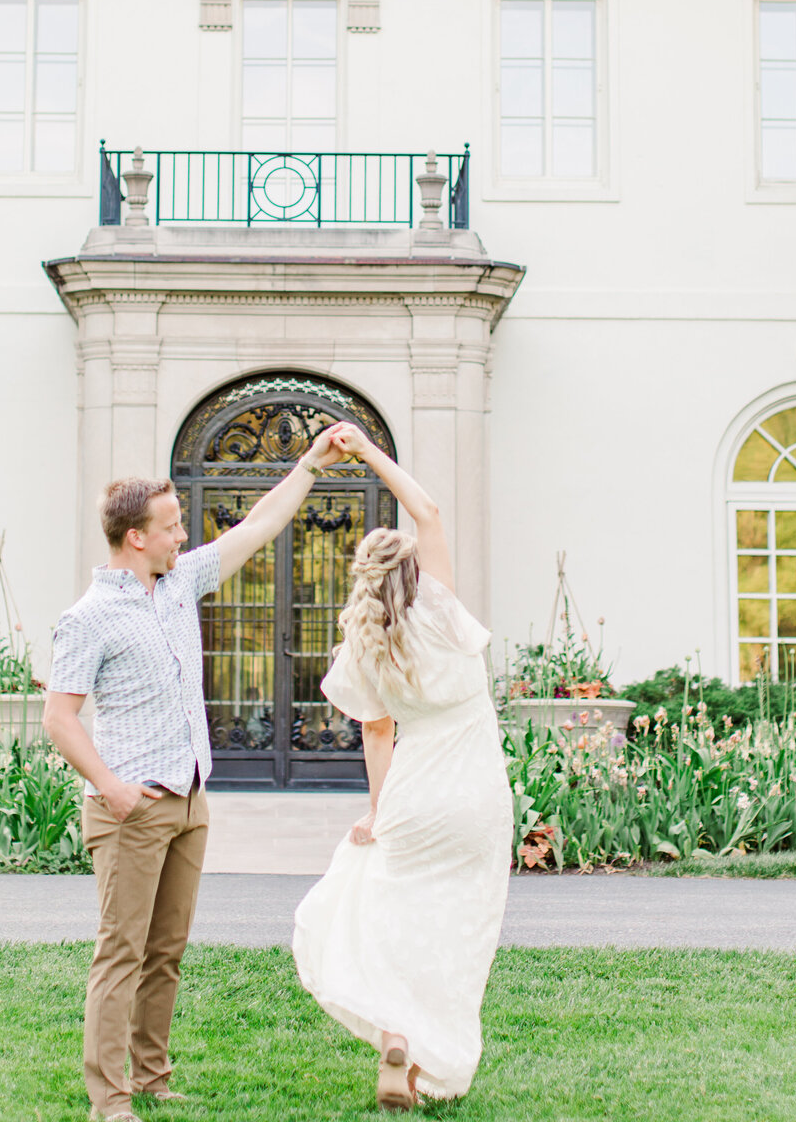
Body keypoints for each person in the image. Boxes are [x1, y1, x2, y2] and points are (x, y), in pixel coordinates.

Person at [44, 423, 346, 1122]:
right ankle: (109, 1099)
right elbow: (60, 720)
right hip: (130, 809)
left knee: (166, 953)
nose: (184, 535)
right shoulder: (87, 619)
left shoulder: (179, 586)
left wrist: (308, 464)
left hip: (187, 800)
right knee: (121, 954)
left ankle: (151, 1078)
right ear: (134, 537)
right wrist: (114, 789)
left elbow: (259, 527)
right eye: (172, 526)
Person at [292, 423, 513, 1111]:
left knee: (391, 918)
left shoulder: (364, 645)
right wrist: (370, 453)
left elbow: (378, 736)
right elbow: (429, 511)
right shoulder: (441, 609)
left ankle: (395, 1038)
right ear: (415, 568)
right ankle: (424, 1056)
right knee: (458, 924)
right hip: (475, 796)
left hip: (414, 798)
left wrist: (377, 813)